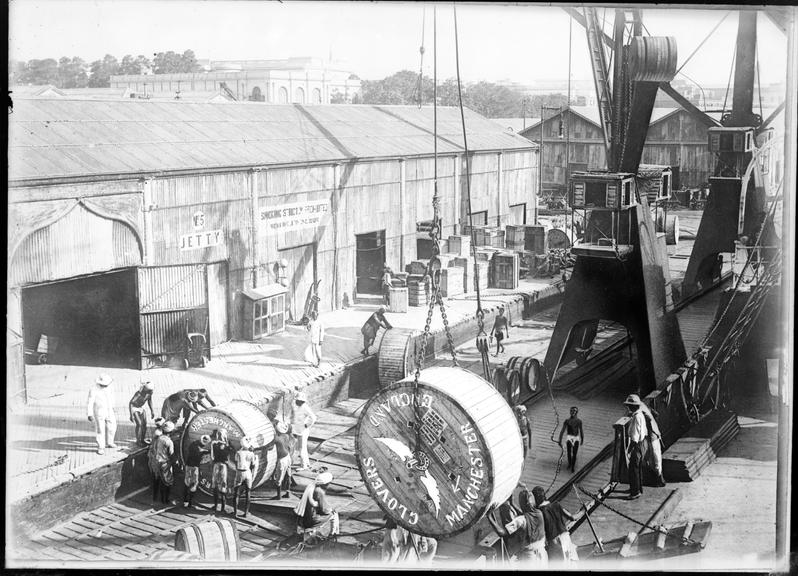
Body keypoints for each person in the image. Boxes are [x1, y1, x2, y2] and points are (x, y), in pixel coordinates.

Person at [532, 486, 577, 563]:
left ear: (536, 498)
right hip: (565, 536)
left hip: (553, 541)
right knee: (570, 561)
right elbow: (572, 517)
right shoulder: (556, 504)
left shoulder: (539, 512)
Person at [504, 489, 547, 567]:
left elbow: (502, 532)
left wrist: (490, 516)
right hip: (541, 553)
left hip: (529, 557)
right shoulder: (539, 513)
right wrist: (513, 504)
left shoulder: (521, 520)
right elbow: (526, 514)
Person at [294, 471, 339, 537]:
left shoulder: (311, 486)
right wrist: (331, 510)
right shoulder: (319, 491)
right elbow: (324, 510)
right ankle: (333, 534)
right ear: (326, 483)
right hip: (312, 520)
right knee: (334, 514)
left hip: (303, 517)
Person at [624, 394, 648, 500]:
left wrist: (628, 450)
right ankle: (638, 488)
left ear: (632, 406)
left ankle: (635, 492)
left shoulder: (635, 418)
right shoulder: (640, 415)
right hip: (643, 443)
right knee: (638, 468)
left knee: (633, 469)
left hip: (637, 445)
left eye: (629, 405)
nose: (628, 407)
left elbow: (634, 437)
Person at [485, 494, 523, 560]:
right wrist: (512, 503)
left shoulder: (508, 510)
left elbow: (502, 533)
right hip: (514, 543)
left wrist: (489, 516)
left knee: (497, 555)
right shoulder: (525, 518)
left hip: (510, 545)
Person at [87, 373, 117, 455]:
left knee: (113, 427)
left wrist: (113, 406)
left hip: (109, 410)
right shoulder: (93, 389)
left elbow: (112, 396)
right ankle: (101, 447)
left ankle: (110, 442)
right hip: (99, 411)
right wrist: (89, 414)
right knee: (100, 429)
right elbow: (90, 402)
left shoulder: (110, 387)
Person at [640, 403, 667, 487]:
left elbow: (648, 419)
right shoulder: (644, 406)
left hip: (652, 435)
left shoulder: (641, 409)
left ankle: (659, 480)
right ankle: (659, 479)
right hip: (654, 433)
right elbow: (656, 414)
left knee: (655, 458)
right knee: (656, 458)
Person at [291, 391, 317, 471]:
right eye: (297, 401)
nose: (298, 402)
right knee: (302, 448)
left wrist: (308, 424)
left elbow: (313, 417)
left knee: (301, 448)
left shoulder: (305, 407)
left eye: (300, 401)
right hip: (297, 429)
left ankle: (304, 465)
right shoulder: (294, 405)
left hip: (303, 430)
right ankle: (306, 462)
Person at [183, 434, 211, 509]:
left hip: (188, 465)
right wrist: (207, 451)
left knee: (187, 482)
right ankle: (190, 503)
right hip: (194, 467)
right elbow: (199, 452)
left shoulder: (193, 444)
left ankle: (185, 501)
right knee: (194, 484)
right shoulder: (198, 448)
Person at [233, 436, 258, 518]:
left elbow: (236, 462)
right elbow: (253, 464)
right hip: (247, 473)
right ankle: (246, 513)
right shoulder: (251, 454)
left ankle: (235, 513)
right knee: (248, 492)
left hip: (240, 472)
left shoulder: (238, 453)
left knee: (236, 493)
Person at [154, 420, 178, 506]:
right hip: (165, 463)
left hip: (157, 461)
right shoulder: (169, 442)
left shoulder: (159, 438)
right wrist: (176, 462)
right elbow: (171, 454)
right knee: (168, 481)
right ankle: (166, 500)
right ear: (171, 432)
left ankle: (159, 498)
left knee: (160, 479)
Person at [210, 428, 233, 514]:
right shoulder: (227, 445)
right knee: (223, 485)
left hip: (216, 465)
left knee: (215, 485)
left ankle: (215, 506)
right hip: (223, 466)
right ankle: (223, 507)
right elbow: (228, 458)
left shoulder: (213, 444)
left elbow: (212, 457)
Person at [129, 380, 155, 447]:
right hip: (134, 408)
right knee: (139, 424)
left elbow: (150, 401)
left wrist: (152, 411)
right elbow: (131, 403)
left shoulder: (149, 393)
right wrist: (131, 415)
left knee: (144, 424)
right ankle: (138, 441)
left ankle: (142, 439)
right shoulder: (138, 394)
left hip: (140, 408)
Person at [558, 406, 585, 473]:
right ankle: (570, 464)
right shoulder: (567, 421)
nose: (573, 412)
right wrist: (560, 440)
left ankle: (573, 466)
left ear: (576, 413)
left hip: (576, 438)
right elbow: (562, 431)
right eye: (572, 411)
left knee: (574, 453)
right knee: (569, 453)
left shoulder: (579, 421)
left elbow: (581, 430)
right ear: (570, 412)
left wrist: (582, 439)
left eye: (575, 411)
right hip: (569, 437)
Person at [273, 420, 293, 500]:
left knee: (279, 478)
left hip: (282, 460)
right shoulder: (286, 436)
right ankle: (287, 493)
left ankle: (278, 496)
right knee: (288, 475)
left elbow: (272, 441)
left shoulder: (277, 439)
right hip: (288, 457)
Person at [147, 417, 166, 503]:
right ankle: (157, 497)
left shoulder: (157, 432)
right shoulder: (158, 434)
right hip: (156, 458)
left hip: (154, 456)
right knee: (158, 477)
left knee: (156, 477)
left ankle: (155, 495)